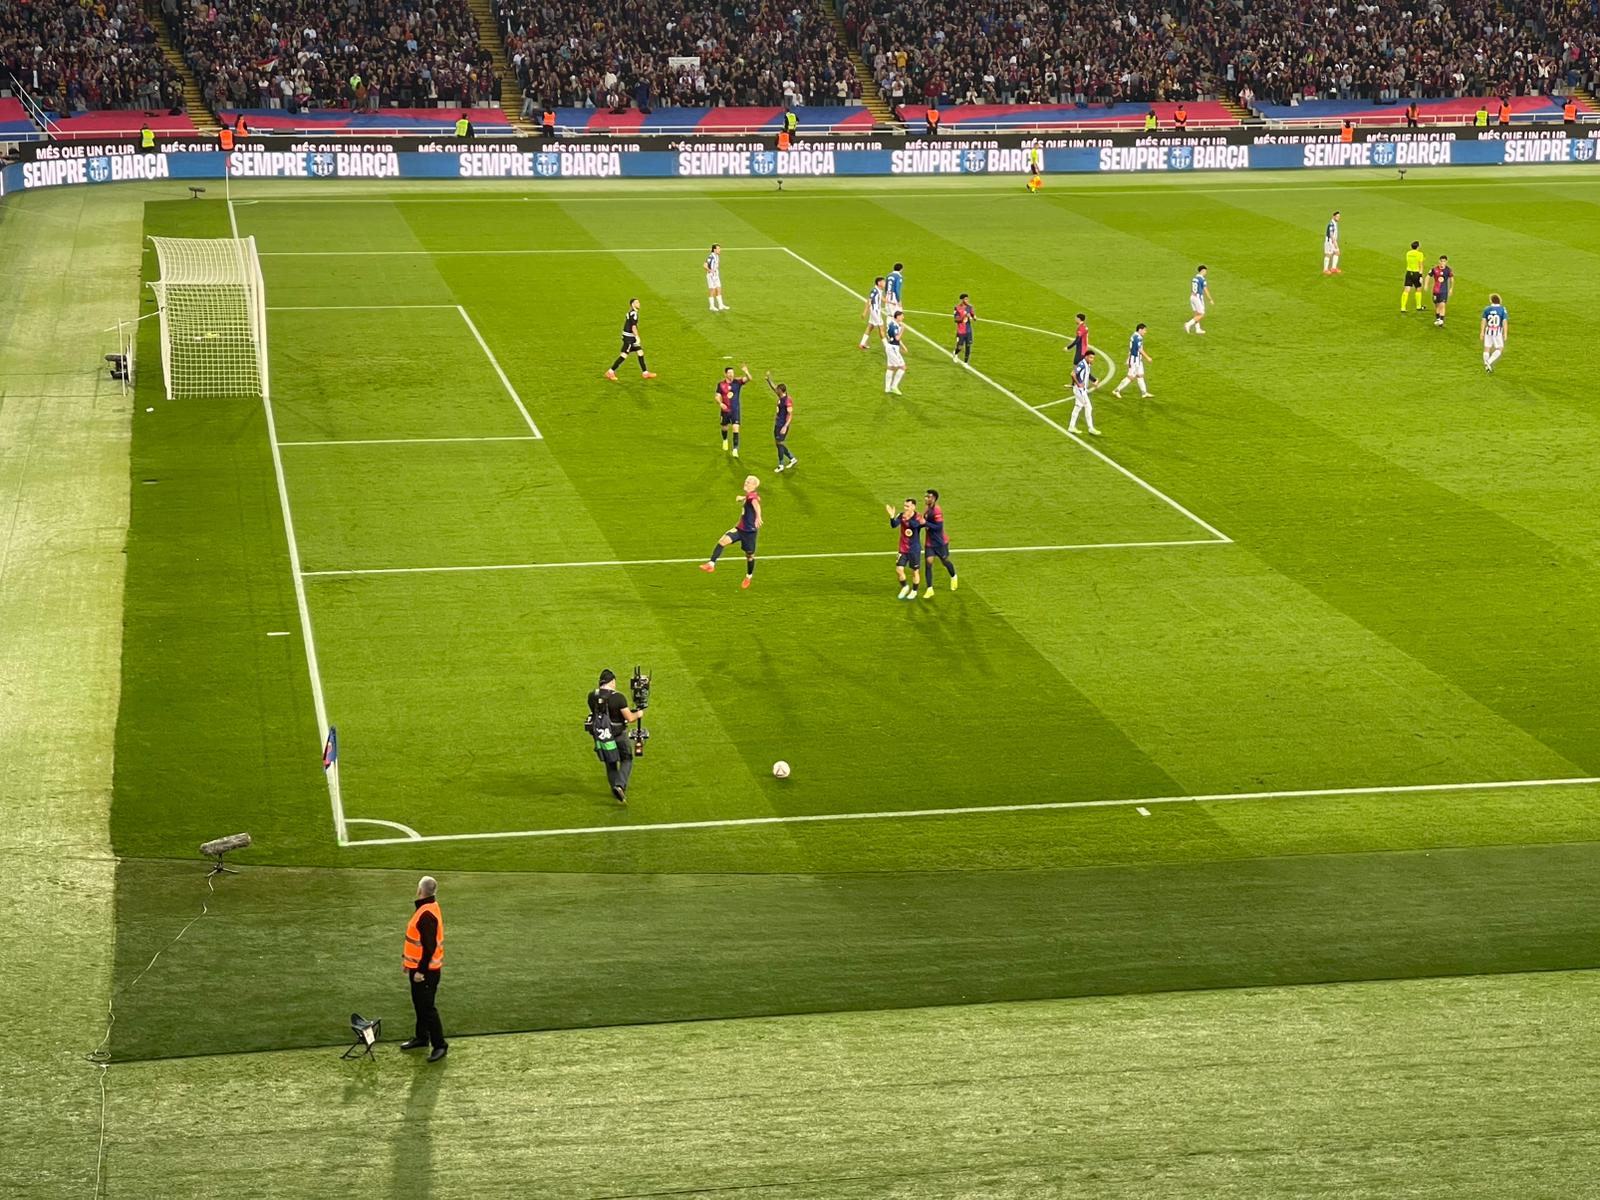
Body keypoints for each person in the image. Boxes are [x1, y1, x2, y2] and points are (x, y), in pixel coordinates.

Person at [400, 876, 447, 1063]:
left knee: (427, 1008)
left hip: (426, 972)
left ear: (420, 891)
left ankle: (440, 1045)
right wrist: (409, 963)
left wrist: (420, 971)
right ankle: (421, 1037)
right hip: (421, 968)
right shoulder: (429, 907)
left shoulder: (426, 914)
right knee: (420, 1005)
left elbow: (429, 948)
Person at [586, 669, 643, 803]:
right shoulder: (618, 697)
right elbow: (629, 718)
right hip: (618, 735)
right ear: (612, 681)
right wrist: (638, 714)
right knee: (626, 759)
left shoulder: (591, 696)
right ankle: (620, 785)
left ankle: (615, 789)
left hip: (602, 736)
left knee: (610, 763)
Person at [699, 475, 762, 589]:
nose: (745, 483)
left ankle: (748, 576)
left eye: (748, 482)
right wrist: (742, 498)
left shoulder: (753, 496)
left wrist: (758, 516)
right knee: (723, 541)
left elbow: (755, 504)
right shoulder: (749, 495)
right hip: (740, 529)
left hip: (749, 534)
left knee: (749, 556)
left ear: (754, 486)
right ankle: (711, 564)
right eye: (746, 481)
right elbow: (748, 499)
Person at [604, 298, 656, 380]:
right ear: (632, 304)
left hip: (629, 336)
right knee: (624, 355)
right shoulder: (634, 314)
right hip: (629, 338)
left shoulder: (631, 312)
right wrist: (637, 337)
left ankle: (645, 373)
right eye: (636, 302)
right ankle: (610, 372)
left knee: (640, 352)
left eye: (639, 302)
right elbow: (633, 327)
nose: (639, 303)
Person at [919, 490, 958, 597]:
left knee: (945, 561)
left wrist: (925, 523)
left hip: (940, 542)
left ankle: (953, 576)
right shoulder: (927, 509)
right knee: (928, 563)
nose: (926, 498)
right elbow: (924, 522)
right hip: (929, 542)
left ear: (934, 498)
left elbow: (938, 527)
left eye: (929, 497)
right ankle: (929, 588)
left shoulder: (937, 511)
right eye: (926, 496)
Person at [885, 498, 923, 600]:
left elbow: (916, 525)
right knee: (899, 569)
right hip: (903, 548)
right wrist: (892, 516)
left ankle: (914, 591)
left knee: (915, 572)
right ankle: (905, 587)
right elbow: (894, 525)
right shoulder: (902, 515)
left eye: (907, 506)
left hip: (914, 549)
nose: (905, 508)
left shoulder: (918, 517)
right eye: (904, 506)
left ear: (913, 507)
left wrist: (908, 519)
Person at [716, 363, 750, 457]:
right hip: (725, 410)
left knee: (736, 428)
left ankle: (735, 449)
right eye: (729, 373)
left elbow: (749, 379)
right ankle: (725, 440)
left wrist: (746, 371)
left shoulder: (737, 382)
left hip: (735, 410)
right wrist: (720, 403)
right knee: (724, 427)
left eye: (732, 373)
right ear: (725, 374)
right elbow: (717, 396)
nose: (731, 374)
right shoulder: (721, 384)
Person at [1112, 323, 1153, 398]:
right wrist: (1148, 358)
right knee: (1130, 377)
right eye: (1144, 330)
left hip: (1137, 360)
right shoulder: (1138, 338)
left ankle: (1144, 393)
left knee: (1140, 375)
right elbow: (1140, 350)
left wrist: (1128, 358)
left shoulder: (1134, 336)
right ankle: (1116, 390)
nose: (1145, 332)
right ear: (1140, 330)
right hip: (1135, 361)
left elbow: (1131, 349)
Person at [768, 372, 797, 472]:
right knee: (778, 443)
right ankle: (792, 459)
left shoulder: (787, 401)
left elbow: (790, 415)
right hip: (778, 424)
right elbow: (773, 387)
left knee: (779, 443)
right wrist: (768, 379)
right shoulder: (781, 397)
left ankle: (781, 465)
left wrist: (785, 426)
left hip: (782, 425)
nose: (776, 390)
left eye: (778, 390)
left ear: (781, 391)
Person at [1066, 353, 1101, 435]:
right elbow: (1073, 374)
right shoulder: (1082, 364)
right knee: (1088, 407)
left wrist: (1094, 380)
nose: (1092, 359)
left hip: (1081, 390)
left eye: (1093, 358)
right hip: (1080, 390)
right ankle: (1090, 428)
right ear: (1086, 357)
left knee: (1078, 406)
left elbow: (1087, 374)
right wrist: (1078, 384)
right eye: (1091, 357)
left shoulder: (1087, 364)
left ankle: (1071, 426)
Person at [1479, 293, 1508, 372]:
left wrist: (1482, 332)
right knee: (1500, 348)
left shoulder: (1487, 309)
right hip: (1497, 332)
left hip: (1488, 331)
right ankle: (1489, 362)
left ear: (1491, 301)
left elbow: (1483, 321)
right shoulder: (1502, 309)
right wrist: (1505, 333)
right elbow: (1504, 322)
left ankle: (1486, 366)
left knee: (1486, 348)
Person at [858, 275, 887, 349]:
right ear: (879, 283)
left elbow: (882, 299)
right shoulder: (874, 290)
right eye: (883, 282)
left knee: (870, 326)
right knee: (881, 328)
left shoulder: (879, 290)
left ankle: (862, 344)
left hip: (875, 311)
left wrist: (892, 302)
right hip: (875, 311)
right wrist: (865, 312)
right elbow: (869, 301)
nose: (885, 283)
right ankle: (887, 346)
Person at [1184, 265, 1213, 335]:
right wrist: (1210, 299)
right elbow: (1205, 290)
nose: (1206, 273)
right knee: (1201, 314)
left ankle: (1198, 329)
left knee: (1196, 313)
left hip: (1192, 297)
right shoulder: (1202, 279)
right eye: (1205, 271)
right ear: (1202, 271)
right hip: (1198, 297)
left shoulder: (1194, 278)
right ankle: (1188, 324)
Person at [884, 309, 908, 395]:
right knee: (903, 367)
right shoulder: (893, 326)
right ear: (897, 316)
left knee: (891, 367)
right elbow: (897, 338)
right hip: (893, 349)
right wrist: (903, 329)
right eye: (902, 316)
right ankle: (894, 387)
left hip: (891, 347)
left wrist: (903, 347)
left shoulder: (893, 324)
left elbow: (896, 339)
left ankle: (887, 388)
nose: (903, 317)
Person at [1401, 241, 1426, 312]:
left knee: (1406, 290)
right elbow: (1420, 265)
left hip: (1409, 273)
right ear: (1418, 247)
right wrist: (1420, 276)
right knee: (1418, 289)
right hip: (1416, 273)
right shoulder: (1420, 254)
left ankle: (1403, 307)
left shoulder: (1408, 253)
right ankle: (1418, 306)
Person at [1429, 255, 1453, 326]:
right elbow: (1428, 275)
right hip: (1435, 291)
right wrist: (1426, 284)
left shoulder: (1448, 270)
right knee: (1437, 305)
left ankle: (1441, 320)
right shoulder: (1435, 269)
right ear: (1439, 261)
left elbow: (1452, 279)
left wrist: (1451, 288)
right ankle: (1438, 318)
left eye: (1444, 261)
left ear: (1446, 262)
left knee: (1442, 304)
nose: (1442, 263)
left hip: (1444, 291)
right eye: (1441, 261)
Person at [951, 293, 975, 363]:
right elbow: (956, 319)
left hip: (968, 331)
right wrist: (964, 316)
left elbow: (973, 314)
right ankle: (955, 353)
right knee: (960, 347)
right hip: (961, 331)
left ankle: (966, 363)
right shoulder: (957, 308)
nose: (967, 300)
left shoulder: (970, 307)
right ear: (962, 300)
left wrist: (974, 317)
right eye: (965, 299)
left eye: (968, 299)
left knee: (968, 346)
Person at [705, 243, 728, 312]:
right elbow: (705, 265)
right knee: (712, 290)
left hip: (716, 275)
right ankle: (711, 306)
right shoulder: (711, 256)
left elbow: (716, 265)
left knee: (719, 289)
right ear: (714, 249)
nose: (720, 250)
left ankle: (721, 305)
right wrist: (710, 271)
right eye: (718, 248)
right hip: (711, 276)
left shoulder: (717, 256)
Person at [1323, 210, 1342, 275]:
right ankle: (1325, 269)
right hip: (1330, 242)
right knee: (1329, 254)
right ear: (1333, 216)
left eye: (1339, 216)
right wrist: (1335, 244)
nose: (1338, 218)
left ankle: (1333, 268)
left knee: (1337, 253)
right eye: (1337, 216)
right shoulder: (1331, 224)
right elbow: (1331, 235)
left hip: (1333, 241)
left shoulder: (1335, 223)